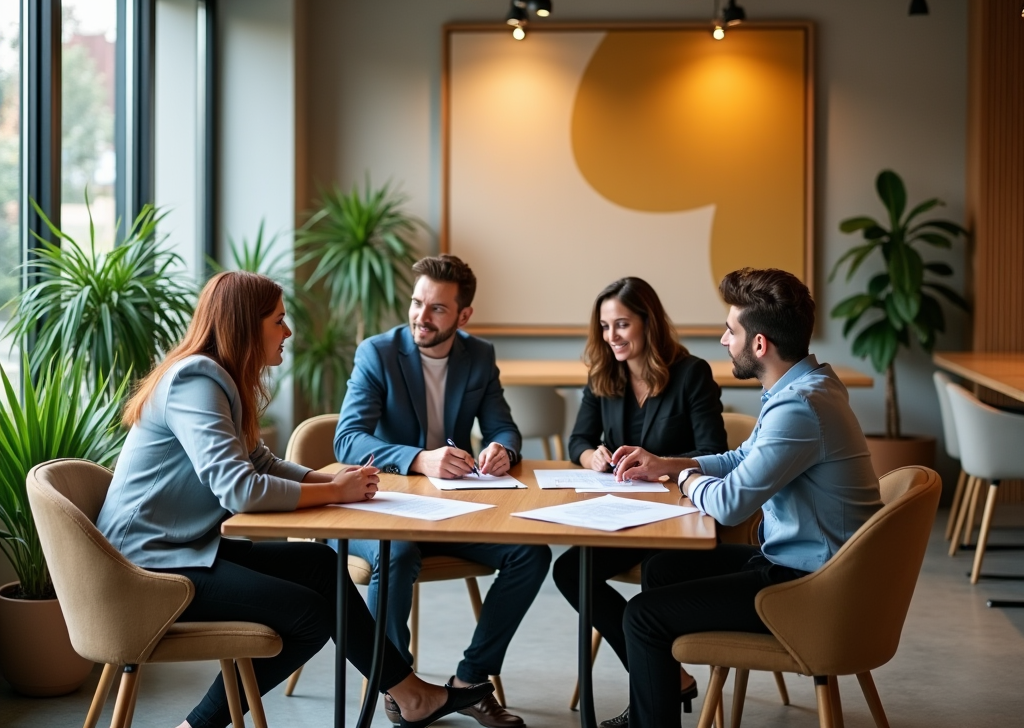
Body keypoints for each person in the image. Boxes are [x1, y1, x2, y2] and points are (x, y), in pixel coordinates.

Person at [95, 271, 491, 728]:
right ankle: (195, 727)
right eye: (279, 321)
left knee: (320, 566)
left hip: (184, 550)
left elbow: (259, 462)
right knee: (308, 616)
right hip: (146, 568)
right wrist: (332, 490)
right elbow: (239, 488)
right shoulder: (195, 382)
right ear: (247, 325)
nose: (288, 332)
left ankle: (410, 694)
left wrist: (333, 481)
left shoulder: (219, 378)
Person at [611, 267, 882, 728]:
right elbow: (742, 458)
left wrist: (680, 483)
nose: (722, 340)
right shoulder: (806, 386)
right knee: (661, 569)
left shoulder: (800, 407)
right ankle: (651, 708)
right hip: (803, 564)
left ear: (759, 345)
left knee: (641, 617)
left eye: (730, 330)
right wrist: (671, 463)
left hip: (813, 587)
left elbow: (732, 503)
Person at [334, 254, 551, 728]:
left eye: (436, 309)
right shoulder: (378, 352)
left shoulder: (479, 356)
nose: (420, 316)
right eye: (417, 303)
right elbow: (347, 438)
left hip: (449, 511)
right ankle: (398, 686)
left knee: (531, 555)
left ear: (463, 315)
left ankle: (468, 684)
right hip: (380, 508)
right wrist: (417, 457)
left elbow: (504, 427)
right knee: (397, 553)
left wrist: (501, 449)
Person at [551, 277, 727, 728]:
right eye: (605, 327)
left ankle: (657, 691)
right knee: (570, 569)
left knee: (658, 573)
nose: (612, 337)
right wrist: (593, 456)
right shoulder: (604, 376)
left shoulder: (691, 374)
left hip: (681, 517)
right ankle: (667, 678)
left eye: (622, 324)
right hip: (628, 515)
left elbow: (716, 453)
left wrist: (662, 464)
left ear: (649, 323)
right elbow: (578, 440)